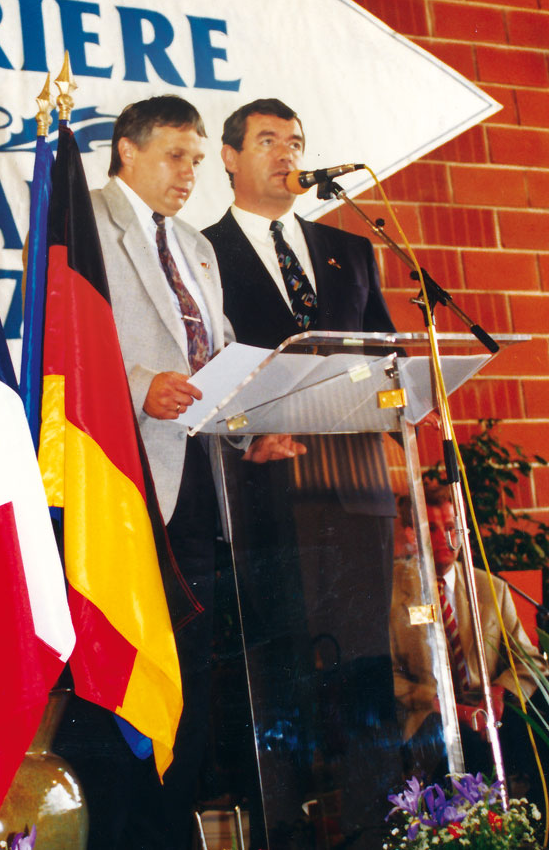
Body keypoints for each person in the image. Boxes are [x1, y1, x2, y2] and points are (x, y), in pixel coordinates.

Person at [55, 95, 299, 850]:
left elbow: (216, 349)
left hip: (199, 479)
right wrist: (139, 385)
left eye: (198, 158)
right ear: (126, 150)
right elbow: (57, 337)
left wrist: (249, 425)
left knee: (189, 673)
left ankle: (166, 829)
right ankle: (117, 831)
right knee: (119, 671)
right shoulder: (80, 218)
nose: (190, 172)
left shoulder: (196, 244)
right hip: (118, 481)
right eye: (175, 155)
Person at [201, 98, 401, 848]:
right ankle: (281, 827)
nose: (286, 153)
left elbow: (385, 353)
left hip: (354, 485)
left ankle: (381, 822)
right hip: (263, 488)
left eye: (296, 141)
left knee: (365, 666)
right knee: (277, 669)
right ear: (228, 156)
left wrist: (403, 399)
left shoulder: (352, 249)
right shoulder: (200, 251)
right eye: (266, 140)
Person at [392, 479, 549, 801]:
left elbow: (529, 659)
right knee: (461, 754)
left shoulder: (491, 589)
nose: (444, 539)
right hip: (428, 715)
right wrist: (449, 709)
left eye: (451, 528)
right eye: (431, 529)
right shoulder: (392, 596)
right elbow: (387, 676)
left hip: (491, 712)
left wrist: (498, 692)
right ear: (411, 534)